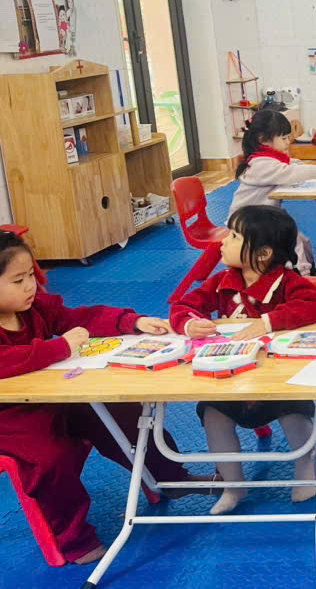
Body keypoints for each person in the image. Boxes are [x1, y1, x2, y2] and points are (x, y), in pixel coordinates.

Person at [0, 231, 210, 564]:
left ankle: (170, 477)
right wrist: (59, 347)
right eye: (17, 280)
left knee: (122, 413)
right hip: (10, 418)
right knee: (51, 457)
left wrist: (132, 321)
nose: (29, 287)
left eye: (30, 276)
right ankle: (74, 539)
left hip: (52, 398)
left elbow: (80, 317)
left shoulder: (35, 307)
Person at [170, 205, 316, 515]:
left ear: (264, 253)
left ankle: (305, 467)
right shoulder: (221, 282)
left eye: (233, 237)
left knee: (293, 412)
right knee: (213, 415)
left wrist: (266, 323)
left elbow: (313, 306)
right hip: (233, 382)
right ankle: (233, 485)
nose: (223, 242)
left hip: (281, 385)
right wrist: (189, 324)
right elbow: (183, 305)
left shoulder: (288, 283)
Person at [229, 108, 316, 275]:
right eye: (283, 138)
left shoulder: (267, 158)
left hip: (264, 217)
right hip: (247, 221)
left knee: (302, 240)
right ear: (263, 140)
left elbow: (290, 164)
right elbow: (289, 172)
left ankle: (309, 270)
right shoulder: (260, 164)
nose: (288, 142)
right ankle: (303, 276)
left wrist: (315, 169)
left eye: (288, 137)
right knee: (295, 242)